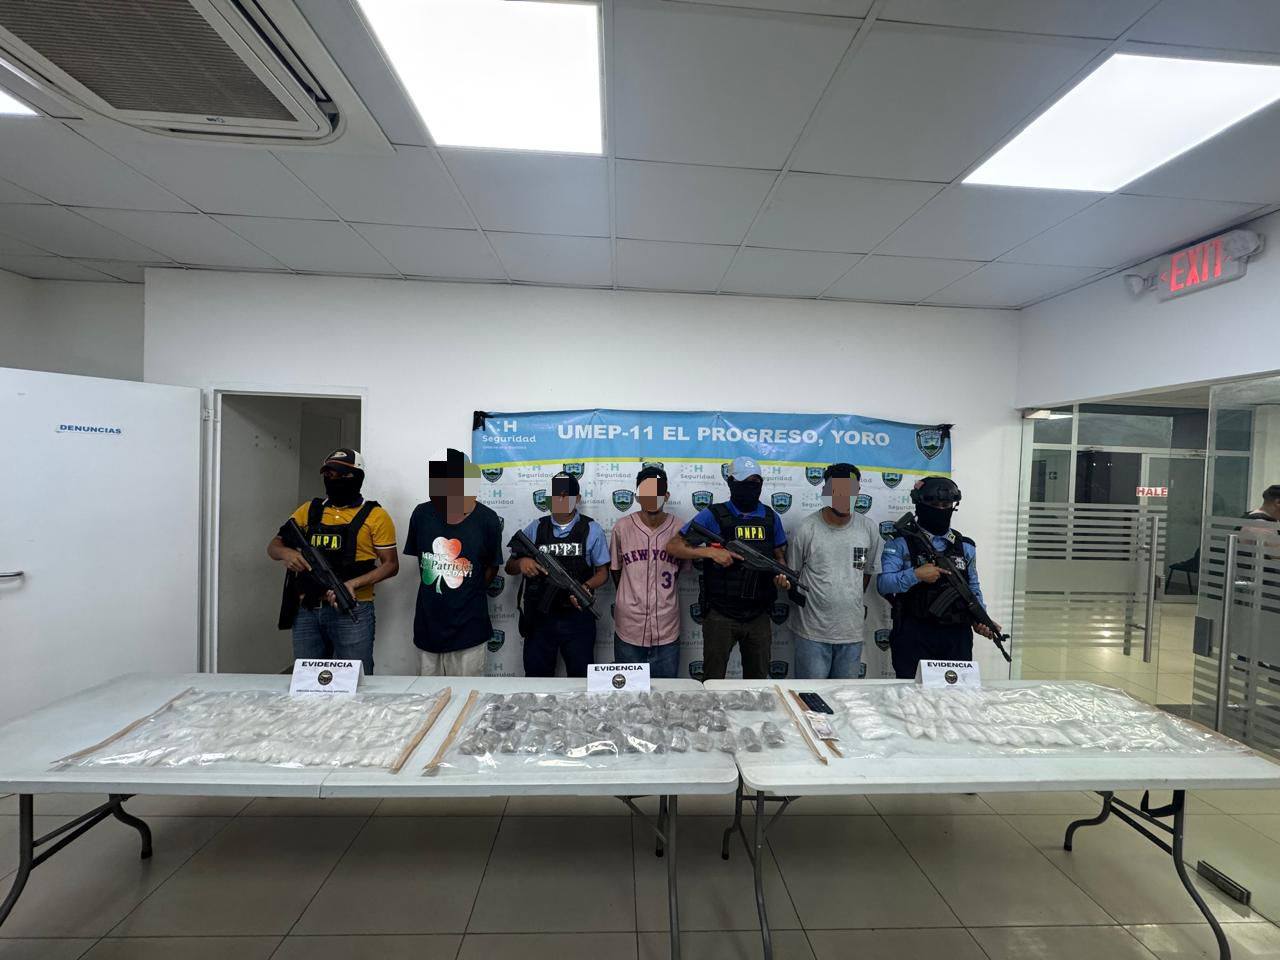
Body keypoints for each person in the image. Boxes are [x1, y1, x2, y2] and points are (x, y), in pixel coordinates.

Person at [267, 448, 398, 675]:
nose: (334, 480)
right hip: (308, 610)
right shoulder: (309, 510)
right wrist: (287, 554)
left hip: (352, 608)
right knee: (307, 681)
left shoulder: (376, 516)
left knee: (356, 680)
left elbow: (391, 565)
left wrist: (352, 584)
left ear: (357, 477)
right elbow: (273, 546)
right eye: (329, 475)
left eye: (342, 475)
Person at [666, 455, 790, 680]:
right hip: (720, 614)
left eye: (755, 482)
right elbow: (674, 546)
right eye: (744, 482)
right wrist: (710, 552)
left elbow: (779, 559)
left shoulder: (771, 518)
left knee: (758, 683)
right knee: (713, 681)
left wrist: (781, 577)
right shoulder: (714, 515)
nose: (750, 487)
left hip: (759, 615)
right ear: (731, 482)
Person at [877, 476, 998, 679]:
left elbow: (972, 587)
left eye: (946, 505)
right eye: (934, 505)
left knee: (955, 694)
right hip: (914, 634)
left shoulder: (965, 546)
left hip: (956, 636)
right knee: (911, 694)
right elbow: (883, 584)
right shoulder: (900, 544)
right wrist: (915, 575)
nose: (941, 510)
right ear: (919, 505)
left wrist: (980, 618)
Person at [404, 449, 504, 677]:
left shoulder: (487, 519)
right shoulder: (421, 514)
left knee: (467, 694)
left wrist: (468, 591)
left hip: (470, 629)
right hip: (428, 628)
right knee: (428, 694)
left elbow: (492, 566)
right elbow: (423, 561)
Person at [507, 471, 609, 677]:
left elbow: (603, 573)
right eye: (556, 495)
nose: (560, 500)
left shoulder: (591, 529)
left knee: (581, 681)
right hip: (540, 619)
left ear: (577, 498)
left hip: (577, 618)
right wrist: (522, 562)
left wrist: (586, 587)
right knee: (537, 680)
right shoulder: (536, 527)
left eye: (566, 495)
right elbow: (510, 567)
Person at [788, 463, 881, 679]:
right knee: (810, 696)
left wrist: (847, 597)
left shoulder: (868, 529)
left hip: (851, 633)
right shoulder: (806, 528)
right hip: (812, 633)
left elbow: (864, 573)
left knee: (845, 696)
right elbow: (793, 574)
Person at [610, 465, 687, 678]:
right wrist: (630, 597)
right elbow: (616, 571)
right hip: (629, 627)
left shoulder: (679, 528)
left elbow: (681, 569)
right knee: (627, 692)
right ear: (638, 496)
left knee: (665, 692)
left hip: (667, 626)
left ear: (666, 495)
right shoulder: (622, 527)